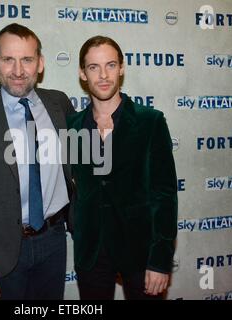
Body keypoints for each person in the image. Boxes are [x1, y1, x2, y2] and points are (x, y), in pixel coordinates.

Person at [0, 23, 74, 300]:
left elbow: (83, 161)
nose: (18, 71)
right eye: (8, 59)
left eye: (27, 60)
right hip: (0, 250)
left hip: (54, 241)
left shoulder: (59, 104)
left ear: (40, 64)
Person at [67, 36, 178, 300]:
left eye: (110, 65)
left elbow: (165, 196)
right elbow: (74, 188)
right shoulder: (72, 127)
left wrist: (160, 260)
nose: (103, 75)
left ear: (122, 68)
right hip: (92, 254)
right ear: (83, 73)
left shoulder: (151, 122)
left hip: (141, 252)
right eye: (94, 67)